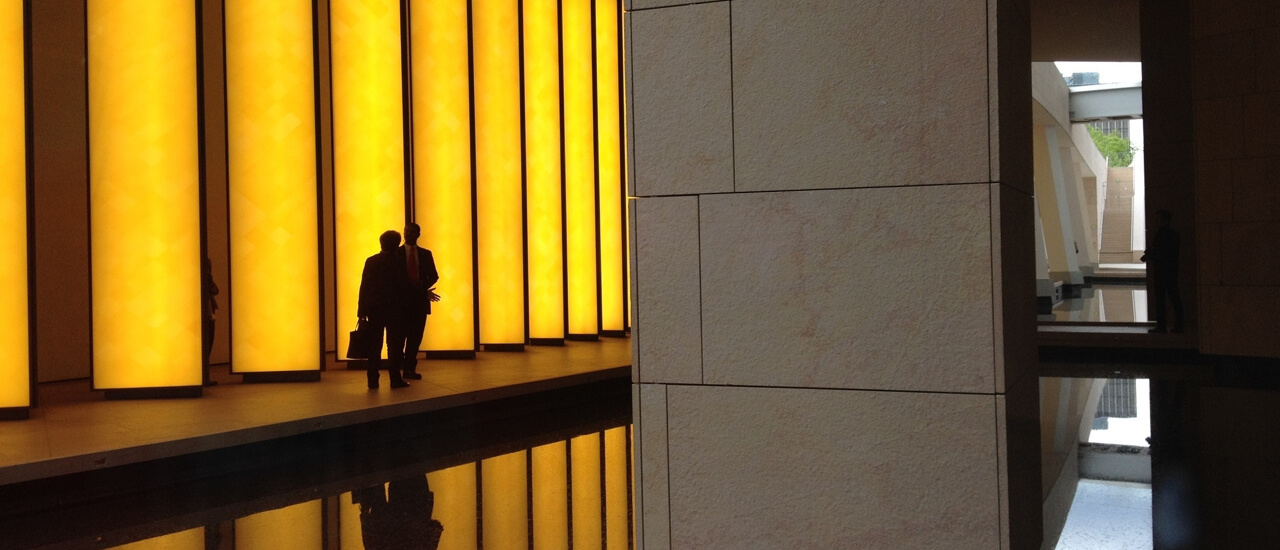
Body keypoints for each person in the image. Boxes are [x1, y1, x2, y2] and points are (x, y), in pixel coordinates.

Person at [357, 230, 411, 389]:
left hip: (374, 308)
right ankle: (395, 378)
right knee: (394, 346)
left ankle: (372, 379)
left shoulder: (371, 261)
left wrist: (361, 309)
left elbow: (364, 287)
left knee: (374, 346)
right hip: (396, 309)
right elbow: (405, 287)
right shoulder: (401, 262)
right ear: (397, 244)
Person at [396, 223, 440, 380]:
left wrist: (421, 287)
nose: (408, 234)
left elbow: (434, 275)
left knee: (415, 339)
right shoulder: (396, 254)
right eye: (407, 232)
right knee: (399, 338)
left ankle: (409, 369)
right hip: (402, 303)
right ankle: (400, 368)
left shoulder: (426, 254)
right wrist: (421, 290)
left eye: (412, 232)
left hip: (418, 303)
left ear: (418, 234)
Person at [1141, 209, 1184, 333]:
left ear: (1164, 220)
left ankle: (1162, 326)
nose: (1155, 221)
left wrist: (1150, 255)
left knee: (1162, 299)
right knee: (1173, 298)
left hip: (1162, 271)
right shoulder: (1173, 235)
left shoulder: (1162, 235)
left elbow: (1162, 253)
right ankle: (1178, 325)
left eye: (1158, 219)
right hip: (1170, 271)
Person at [201, 257, 219, 387]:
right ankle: (205, 376)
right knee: (208, 343)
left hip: (205, 311)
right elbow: (214, 289)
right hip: (208, 312)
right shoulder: (206, 275)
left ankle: (202, 376)